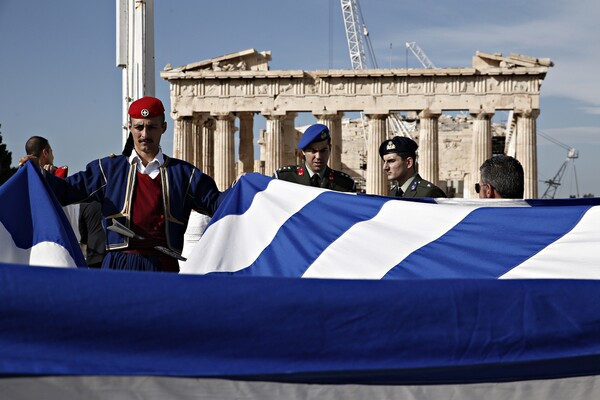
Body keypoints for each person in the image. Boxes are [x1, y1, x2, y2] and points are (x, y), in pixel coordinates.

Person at [26, 96, 225, 273]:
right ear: (130, 127)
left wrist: (247, 188)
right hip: (117, 267)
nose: (144, 134)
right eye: (139, 127)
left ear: (163, 127)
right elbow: (67, 191)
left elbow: (218, 204)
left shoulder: (184, 174)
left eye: (151, 127)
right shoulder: (108, 170)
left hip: (163, 267)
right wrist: (38, 174)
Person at [24, 136, 107, 268]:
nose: (53, 155)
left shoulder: (26, 180)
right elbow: (66, 190)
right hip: (69, 224)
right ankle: (96, 265)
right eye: (51, 151)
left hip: (62, 228)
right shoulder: (48, 176)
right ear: (46, 152)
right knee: (96, 206)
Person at [274, 123, 356, 192]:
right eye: (313, 151)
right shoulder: (284, 179)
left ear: (330, 149)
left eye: (323, 150)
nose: (318, 156)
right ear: (303, 151)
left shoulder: (345, 184)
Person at [379, 136, 446, 198]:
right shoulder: (393, 193)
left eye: (391, 161)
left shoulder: (430, 193)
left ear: (409, 162)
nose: (385, 167)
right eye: (384, 161)